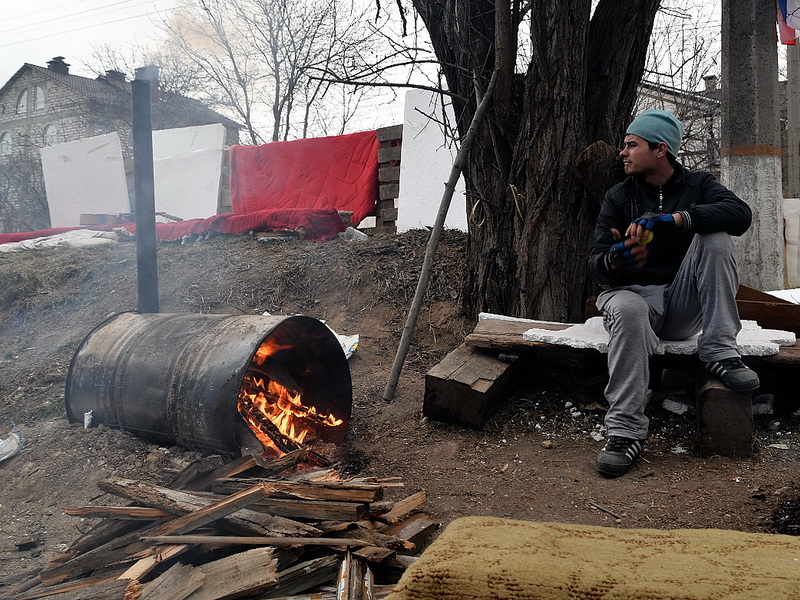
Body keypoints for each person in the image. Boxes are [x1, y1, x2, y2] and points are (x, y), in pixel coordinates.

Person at [586, 108, 759, 478]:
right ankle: (625, 432)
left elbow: (740, 214)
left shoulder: (698, 185)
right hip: (631, 299)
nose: (623, 151)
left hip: (680, 306)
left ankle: (719, 350)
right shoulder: (619, 196)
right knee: (629, 309)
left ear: (661, 149)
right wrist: (618, 259)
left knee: (714, 236)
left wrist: (677, 220)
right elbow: (595, 263)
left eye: (632, 144)